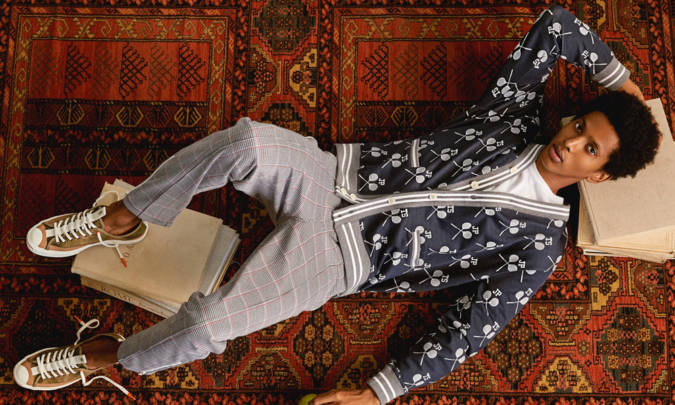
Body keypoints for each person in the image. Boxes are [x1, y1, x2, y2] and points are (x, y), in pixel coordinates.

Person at [13, 5, 660, 405]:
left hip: (338, 260)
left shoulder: (538, 246)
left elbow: (470, 327)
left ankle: (105, 354)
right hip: (328, 175)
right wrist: (622, 84)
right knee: (246, 141)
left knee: (207, 324)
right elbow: (556, 25)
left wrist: (379, 392)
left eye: (590, 150)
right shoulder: (510, 118)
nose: (571, 142)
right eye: (581, 126)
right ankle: (124, 218)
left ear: (600, 175)